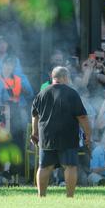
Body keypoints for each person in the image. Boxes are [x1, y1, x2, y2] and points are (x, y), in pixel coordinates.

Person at [31, 66, 92, 198]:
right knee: (70, 166)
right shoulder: (72, 93)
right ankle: (69, 197)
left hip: (46, 135)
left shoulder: (41, 93)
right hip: (67, 135)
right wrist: (88, 134)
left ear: (53, 78)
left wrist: (34, 132)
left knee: (44, 166)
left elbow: (35, 115)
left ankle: (41, 197)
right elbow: (82, 117)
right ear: (64, 77)